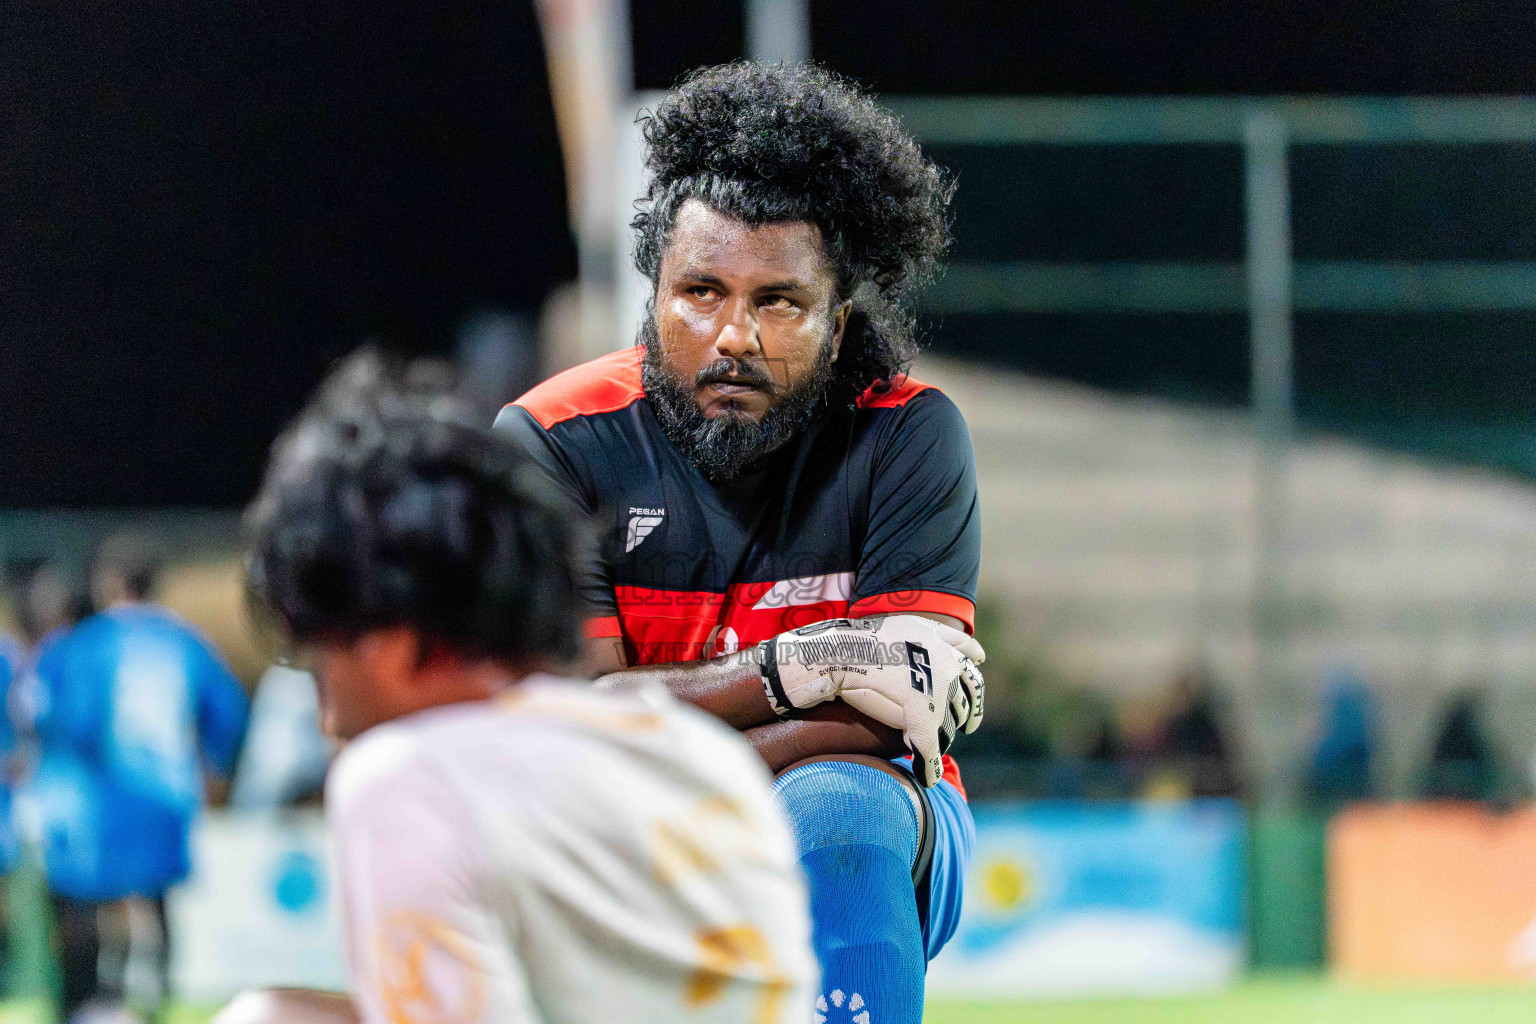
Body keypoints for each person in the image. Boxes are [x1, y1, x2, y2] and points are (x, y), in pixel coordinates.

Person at [497, 62, 983, 1024]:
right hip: (619, 830)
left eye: (779, 302)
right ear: (654, 297)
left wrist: (657, 720)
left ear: (838, 327)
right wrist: (801, 669)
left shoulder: (908, 433)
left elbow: (901, 725)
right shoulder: (550, 440)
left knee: (837, 806)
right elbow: (567, 734)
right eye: (701, 291)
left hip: (855, 816)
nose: (733, 336)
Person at [218, 353, 816, 1024]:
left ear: (389, 643)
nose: (329, 719)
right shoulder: (697, 752)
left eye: (317, 661)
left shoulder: (407, 777)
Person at [22, 538, 249, 1023]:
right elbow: (228, 711)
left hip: (99, 801)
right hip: (167, 796)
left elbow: (65, 718)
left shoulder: (85, 643)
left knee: (89, 908)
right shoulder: (186, 641)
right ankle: (155, 1004)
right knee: (157, 903)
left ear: (110, 583)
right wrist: (214, 766)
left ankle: (95, 1004)